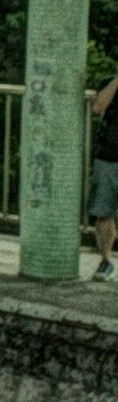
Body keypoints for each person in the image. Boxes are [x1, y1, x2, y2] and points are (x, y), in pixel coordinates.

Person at [90, 75, 118, 280]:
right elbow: (97, 108)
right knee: (104, 211)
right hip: (108, 155)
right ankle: (105, 261)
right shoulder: (108, 83)